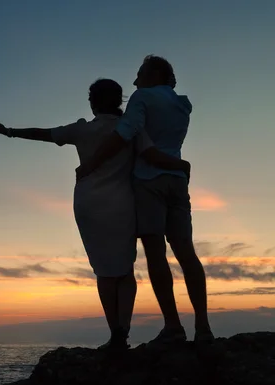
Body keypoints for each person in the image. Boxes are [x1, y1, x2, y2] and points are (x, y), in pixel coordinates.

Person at [0, 79, 189, 350]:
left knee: (104, 271)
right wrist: (180, 166)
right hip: (122, 203)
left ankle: (114, 333)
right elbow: (151, 155)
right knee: (125, 271)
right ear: (119, 100)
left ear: (93, 101)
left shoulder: (82, 130)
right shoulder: (131, 128)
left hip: (89, 203)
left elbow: (44, 133)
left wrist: (9, 131)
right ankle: (122, 333)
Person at [77, 56, 214, 345]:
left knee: (155, 254)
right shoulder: (182, 105)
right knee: (186, 252)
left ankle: (173, 326)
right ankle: (203, 326)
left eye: (139, 74)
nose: (135, 81)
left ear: (153, 74)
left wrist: (92, 163)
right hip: (177, 179)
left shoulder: (142, 98)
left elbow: (126, 132)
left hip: (148, 181)